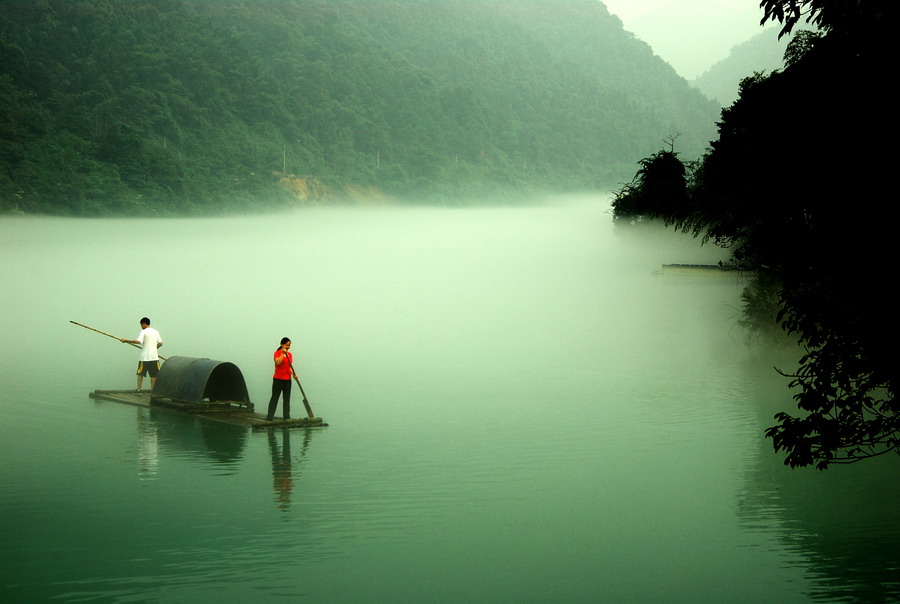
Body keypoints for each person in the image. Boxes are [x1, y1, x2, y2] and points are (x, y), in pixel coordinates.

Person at [120, 317, 163, 393]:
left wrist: (126, 340)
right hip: (154, 358)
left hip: (144, 358)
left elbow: (138, 341)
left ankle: (139, 389)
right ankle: (152, 391)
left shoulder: (144, 331)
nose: (141, 326)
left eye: (141, 325)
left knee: (140, 374)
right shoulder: (156, 331)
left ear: (143, 324)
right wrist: (154, 349)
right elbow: (161, 343)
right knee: (153, 376)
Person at [267, 337, 296, 421]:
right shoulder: (277, 353)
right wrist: (282, 354)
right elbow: (278, 362)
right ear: (282, 344)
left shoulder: (290, 355)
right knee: (275, 398)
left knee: (286, 399)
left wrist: (294, 374)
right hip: (278, 379)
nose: (288, 347)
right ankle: (269, 417)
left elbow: (289, 366)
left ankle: (286, 417)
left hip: (287, 379)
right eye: (287, 345)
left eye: (289, 345)